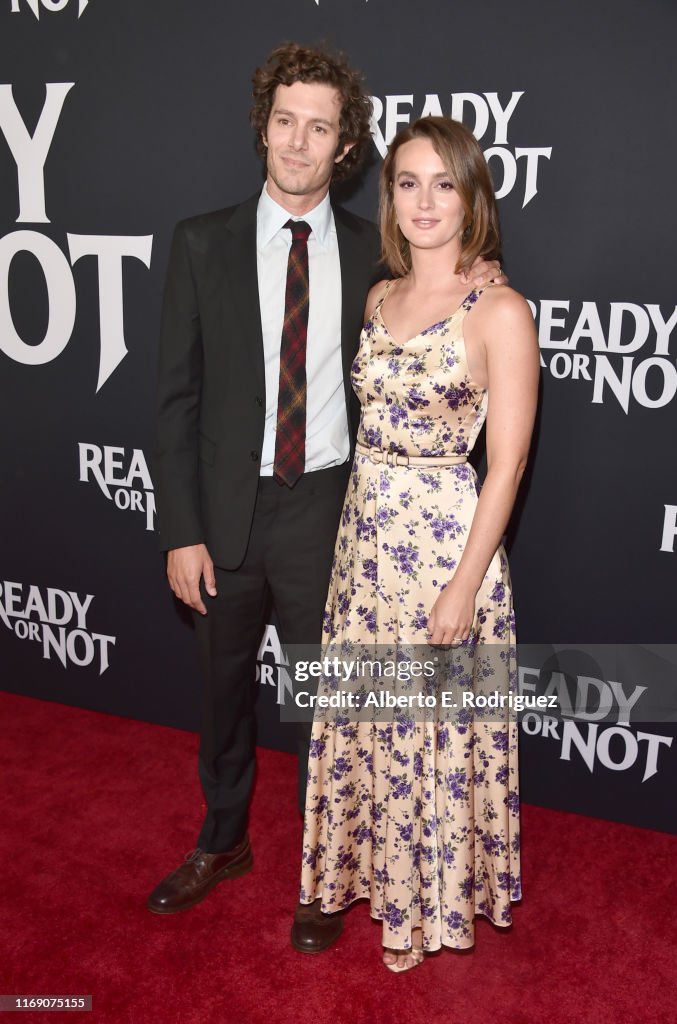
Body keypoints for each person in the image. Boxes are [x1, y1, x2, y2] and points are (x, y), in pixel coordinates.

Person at [150, 41, 502, 952]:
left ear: (347, 146)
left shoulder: (372, 255)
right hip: (225, 515)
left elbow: (445, 303)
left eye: (321, 128)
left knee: (331, 706)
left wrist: (485, 277)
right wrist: (181, 530)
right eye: (285, 122)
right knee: (224, 694)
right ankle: (222, 841)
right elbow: (174, 401)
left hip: (332, 518)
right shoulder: (200, 242)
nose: (299, 144)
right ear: (262, 128)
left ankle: (325, 871)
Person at [298, 115, 539, 970]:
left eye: (445, 182)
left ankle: (433, 899)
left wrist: (463, 587)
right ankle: (369, 873)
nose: (426, 199)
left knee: (432, 731)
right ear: (389, 197)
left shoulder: (501, 309)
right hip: (364, 548)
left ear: (473, 196)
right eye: (408, 182)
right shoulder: (377, 298)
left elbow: (507, 466)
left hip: (444, 551)